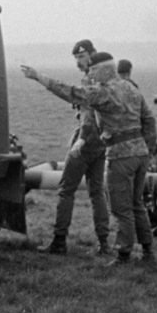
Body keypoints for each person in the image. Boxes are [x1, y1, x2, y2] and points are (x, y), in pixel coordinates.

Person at [22, 52, 157, 265]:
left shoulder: (104, 92)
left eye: (93, 71)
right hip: (140, 155)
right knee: (137, 204)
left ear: (104, 71)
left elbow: (72, 93)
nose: (90, 74)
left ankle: (123, 255)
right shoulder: (131, 87)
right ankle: (148, 252)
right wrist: (147, 149)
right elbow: (149, 120)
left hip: (121, 156)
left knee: (121, 208)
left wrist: (40, 77)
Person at [37, 40, 111, 256]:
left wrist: (81, 139)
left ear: (92, 55)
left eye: (81, 57)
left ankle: (59, 242)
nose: (78, 62)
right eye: (76, 58)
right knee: (97, 193)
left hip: (86, 142)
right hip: (101, 144)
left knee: (66, 190)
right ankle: (104, 243)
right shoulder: (106, 79)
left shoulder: (90, 80)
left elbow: (87, 114)